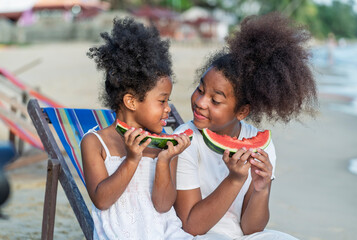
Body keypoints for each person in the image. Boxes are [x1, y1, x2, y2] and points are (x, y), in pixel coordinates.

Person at [173, 12, 318, 240]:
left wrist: (262, 187)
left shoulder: (261, 146)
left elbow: (252, 229)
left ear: (242, 111)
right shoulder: (184, 140)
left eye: (216, 100)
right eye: (200, 90)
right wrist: (234, 179)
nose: (200, 102)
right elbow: (190, 225)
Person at [81, 18, 193, 240]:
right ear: (131, 102)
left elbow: (163, 206)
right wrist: (132, 160)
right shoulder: (95, 143)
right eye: (162, 101)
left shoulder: (166, 145)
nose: (168, 109)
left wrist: (164, 161)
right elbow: (102, 200)